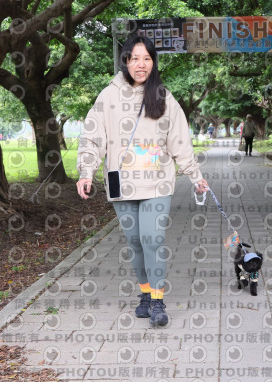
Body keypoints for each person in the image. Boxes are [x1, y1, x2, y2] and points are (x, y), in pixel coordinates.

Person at [76, 36, 209, 327]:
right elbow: (93, 136)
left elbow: (179, 141)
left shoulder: (164, 97)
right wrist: (86, 171)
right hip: (121, 182)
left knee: (153, 239)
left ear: (153, 62)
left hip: (156, 182)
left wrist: (195, 176)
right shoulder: (108, 96)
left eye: (147, 59)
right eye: (135, 58)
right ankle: (146, 294)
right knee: (135, 242)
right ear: (125, 61)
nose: (141, 64)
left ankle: (158, 302)